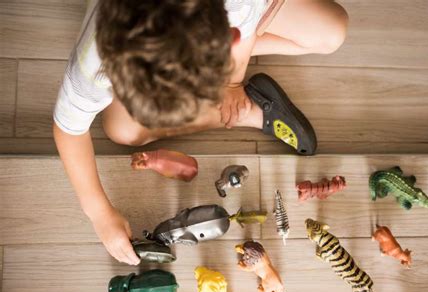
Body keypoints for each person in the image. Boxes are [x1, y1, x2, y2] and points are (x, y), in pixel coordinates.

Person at [53, 0, 348, 265]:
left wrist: (233, 83)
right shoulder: (95, 60)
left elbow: (243, 33)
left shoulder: (236, 6)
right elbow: (68, 129)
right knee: (121, 129)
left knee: (331, 32)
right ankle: (255, 109)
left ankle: (244, 100)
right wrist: (99, 214)